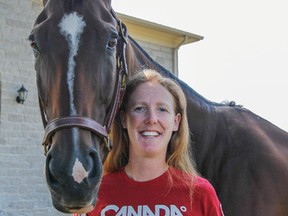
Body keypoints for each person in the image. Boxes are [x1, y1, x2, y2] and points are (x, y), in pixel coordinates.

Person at [86, 69, 224, 216]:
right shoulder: (94, 194)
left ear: (176, 122)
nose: (151, 119)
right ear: (123, 119)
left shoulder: (200, 194)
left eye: (162, 109)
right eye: (140, 108)